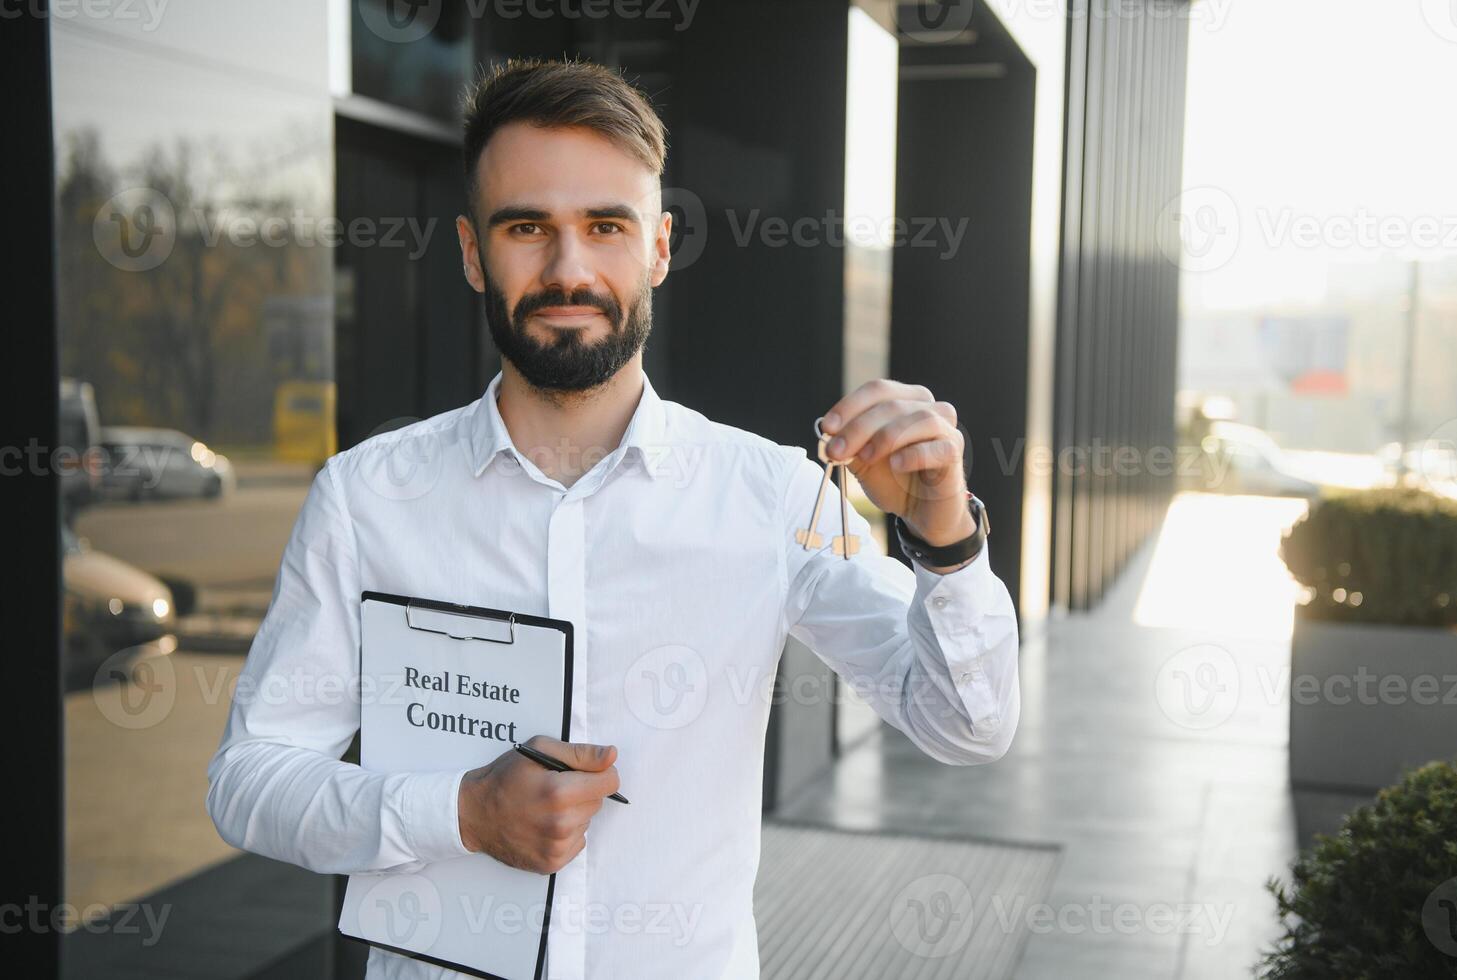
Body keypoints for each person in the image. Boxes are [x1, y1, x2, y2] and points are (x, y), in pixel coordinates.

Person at [206, 56, 1020, 980]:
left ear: (660, 247)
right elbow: (249, 781)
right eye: (526, 228)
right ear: (474, 253)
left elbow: (966, 725)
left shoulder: (773, 497)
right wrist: (458, 813)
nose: (568, 269)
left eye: (605, 226)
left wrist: (945, 538)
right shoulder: (366, 499)